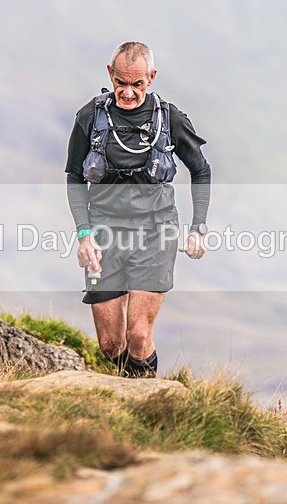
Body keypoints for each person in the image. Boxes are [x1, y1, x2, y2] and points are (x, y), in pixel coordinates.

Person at [65, 41, 211, 378]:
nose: (128, 93)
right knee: (111, 345)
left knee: (138, 334)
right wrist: (84, 235)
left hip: (156, 231)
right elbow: (74, 175)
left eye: (137, 84)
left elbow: (200, 170)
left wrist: (197, 226)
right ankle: (123, 397)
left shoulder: (170, 119)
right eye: (121, 83)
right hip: (103, 233)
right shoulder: (90, 116)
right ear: (110, 74)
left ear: (152, 77)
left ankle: (147, 401)